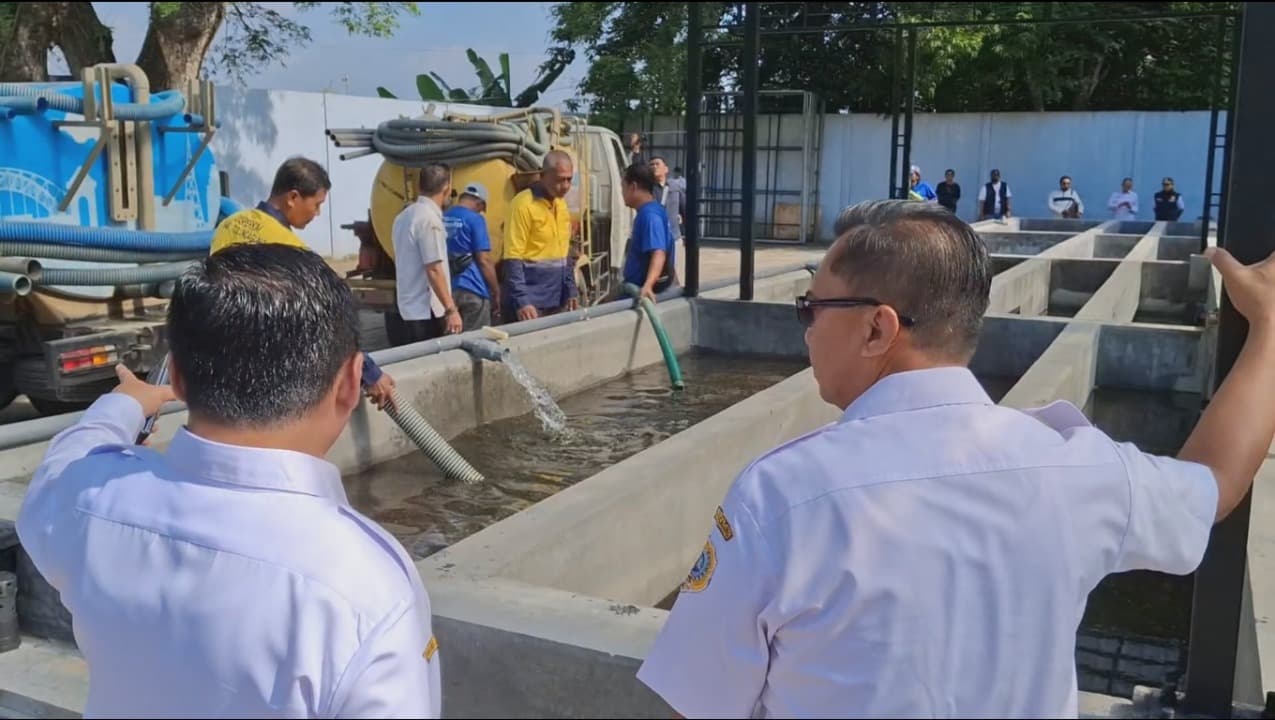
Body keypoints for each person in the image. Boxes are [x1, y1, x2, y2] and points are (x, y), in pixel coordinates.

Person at [636, 198, 1275, 718]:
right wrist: (1270, 331)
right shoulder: (1075, 469)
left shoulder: (781, 496)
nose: (805, 326)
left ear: (878, 329)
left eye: (813, 307)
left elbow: (698, 706)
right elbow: (1215, 482)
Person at [17, 244, 442, 718]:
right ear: (349, 384)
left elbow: (62, 464)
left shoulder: (90, 501)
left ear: (176, 377)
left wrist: (125, 404)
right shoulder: (370, 586)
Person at [210, 156, 398, 411]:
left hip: (223, 367)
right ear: (293, 197)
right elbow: (331, 322)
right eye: (317, 204)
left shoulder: (229, 225)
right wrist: (370, 373)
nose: (318, 213)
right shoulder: (292, 250)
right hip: (267, 378)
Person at [389, 163, 462, 345]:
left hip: (407, 309)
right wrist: (451, 310)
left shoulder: (402, 217)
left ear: (419, 186)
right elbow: (434, 270)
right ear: (447, 188)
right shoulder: (429, 220)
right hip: (425, 312)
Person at [502, 150, 579, 321]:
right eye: (560, 179)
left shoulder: (561, 205)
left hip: (556, 301)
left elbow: (565, 255)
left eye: (569, 179)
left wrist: (571, 290)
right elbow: (513, 257)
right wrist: (522, 301)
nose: (565, 186)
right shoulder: (523, 205)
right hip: (530, 306)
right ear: (543, 176)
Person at [444, 181, 500, 330]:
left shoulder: (442, 216)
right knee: (477, 341)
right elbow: (484, 260)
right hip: (473, 288)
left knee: (451, 342)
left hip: (447, 291)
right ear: (480, 203)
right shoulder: (475, 219)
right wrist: (496, 290)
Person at [621, 163, 676, 302]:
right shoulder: (653, 210)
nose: (621, 192)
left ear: (632, 187)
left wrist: (648, 285)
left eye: (623, 187)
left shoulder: (650, 216)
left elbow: (658, 252)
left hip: (639, 292)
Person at [649, 155, 685, 243]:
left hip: (673, 236)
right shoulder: (646, 188)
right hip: (652, 237)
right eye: (651, 165)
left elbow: (685, 209)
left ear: (666, 169)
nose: (654, 166)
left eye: (657, 164)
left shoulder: (675, 187)